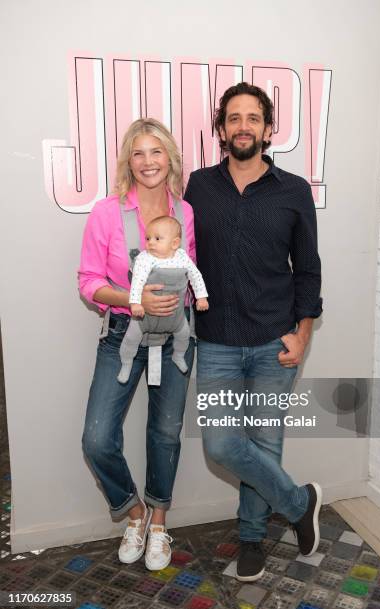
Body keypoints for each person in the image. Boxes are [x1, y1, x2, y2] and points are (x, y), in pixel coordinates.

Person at [184, 82, 323, 582]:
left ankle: (250, 540)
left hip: (273, 341)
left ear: (269, 128)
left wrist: (303, 333)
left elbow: (307, 268)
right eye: (234, 118)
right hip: (217, 339)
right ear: (220, 129)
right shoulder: (198, 186)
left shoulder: (293, 191)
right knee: (223, 445)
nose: (243, 126)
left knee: (265, 445)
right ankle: (298, 501)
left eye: (253, 118)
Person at [79, 118, 197, 571]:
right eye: (139, 153)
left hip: (175, 337)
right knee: (96, 438)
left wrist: (187, 301)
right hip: (122, 335)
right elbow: (88, 282)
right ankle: (135, 512)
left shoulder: (185, 213)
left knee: (165, 433)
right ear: (128, 161)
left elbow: (190, 269)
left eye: (156, 152)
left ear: (170, 158)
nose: (148, 162)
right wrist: (134, 297)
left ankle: (161, 524)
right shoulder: (106, 212)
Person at [117, 215, 208, 383]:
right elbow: (137, 281)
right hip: (145, 317)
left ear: (174, 243)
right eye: (148, 238)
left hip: (175, 317)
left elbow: (195, 276)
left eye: (157, 238)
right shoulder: (145, 259)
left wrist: (201, 297)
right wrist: (135, 303)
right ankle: (126, 362)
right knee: (131, 337)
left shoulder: (182, 257)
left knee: (184, 334)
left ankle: (178, 355)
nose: (150, 242)